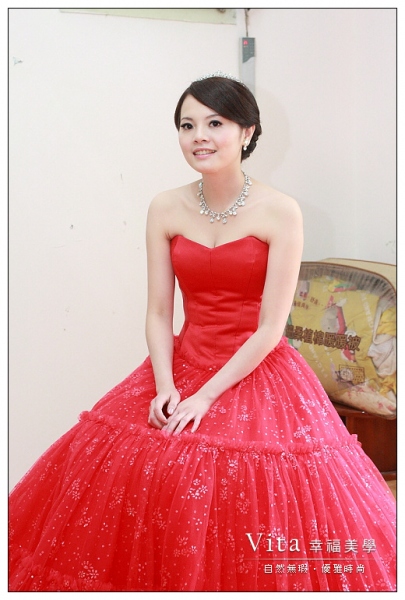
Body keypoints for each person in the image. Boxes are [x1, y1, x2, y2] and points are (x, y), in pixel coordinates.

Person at [8, 72, 396, 592]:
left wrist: (206, 397)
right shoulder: (166, 206)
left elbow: (271, 328)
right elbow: (157, 313)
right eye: (187, 125)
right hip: (183, 360)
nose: (199, 137)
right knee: (141, 476)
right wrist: (166, 386)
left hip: (257, 369)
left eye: (215, 123)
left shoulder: (281, 211)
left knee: (253, 498)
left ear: (247, 132)